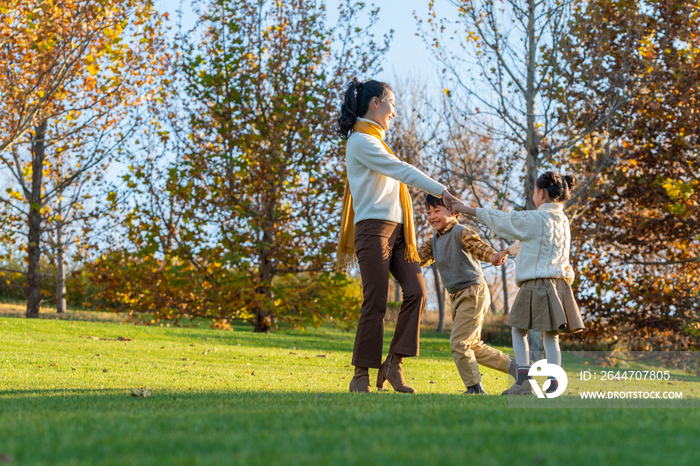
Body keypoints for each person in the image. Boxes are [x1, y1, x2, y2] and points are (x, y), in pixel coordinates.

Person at [336, 78, 459, 393]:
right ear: (376, 102)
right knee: (375, 301)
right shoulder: (361, 142)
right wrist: (441, 191)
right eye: (392, 104)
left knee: (417, 292)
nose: (394, 112)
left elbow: (397, 170)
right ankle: (361, 375)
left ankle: (394, 364)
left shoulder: (376, 140)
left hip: (401, 232)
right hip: (373, 229)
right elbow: (400, 169)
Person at [452, 171, 585, 395]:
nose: (534, 195)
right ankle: (554, 383)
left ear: (541, 193)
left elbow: (502, 221)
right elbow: (532, 242)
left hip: (536, 284)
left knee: (518, 330)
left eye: (534, 191)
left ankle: (524, 381)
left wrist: (465, 209)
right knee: (551, 337)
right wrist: (506, 250)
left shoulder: (533, 219)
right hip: (559, 284)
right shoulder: (563, 221)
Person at [418, 193, 517, 394]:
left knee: (459, 343)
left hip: (473, 292)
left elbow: (478, 247)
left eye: (437, 211)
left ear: (452, 212)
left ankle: (474, 388)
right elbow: (415, 258)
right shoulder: (433, 241)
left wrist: (494, 256)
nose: (432, 216)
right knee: (473, 345)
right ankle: (521, 370)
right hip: (456, 295)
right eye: (428, 212)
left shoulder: (460, 232)